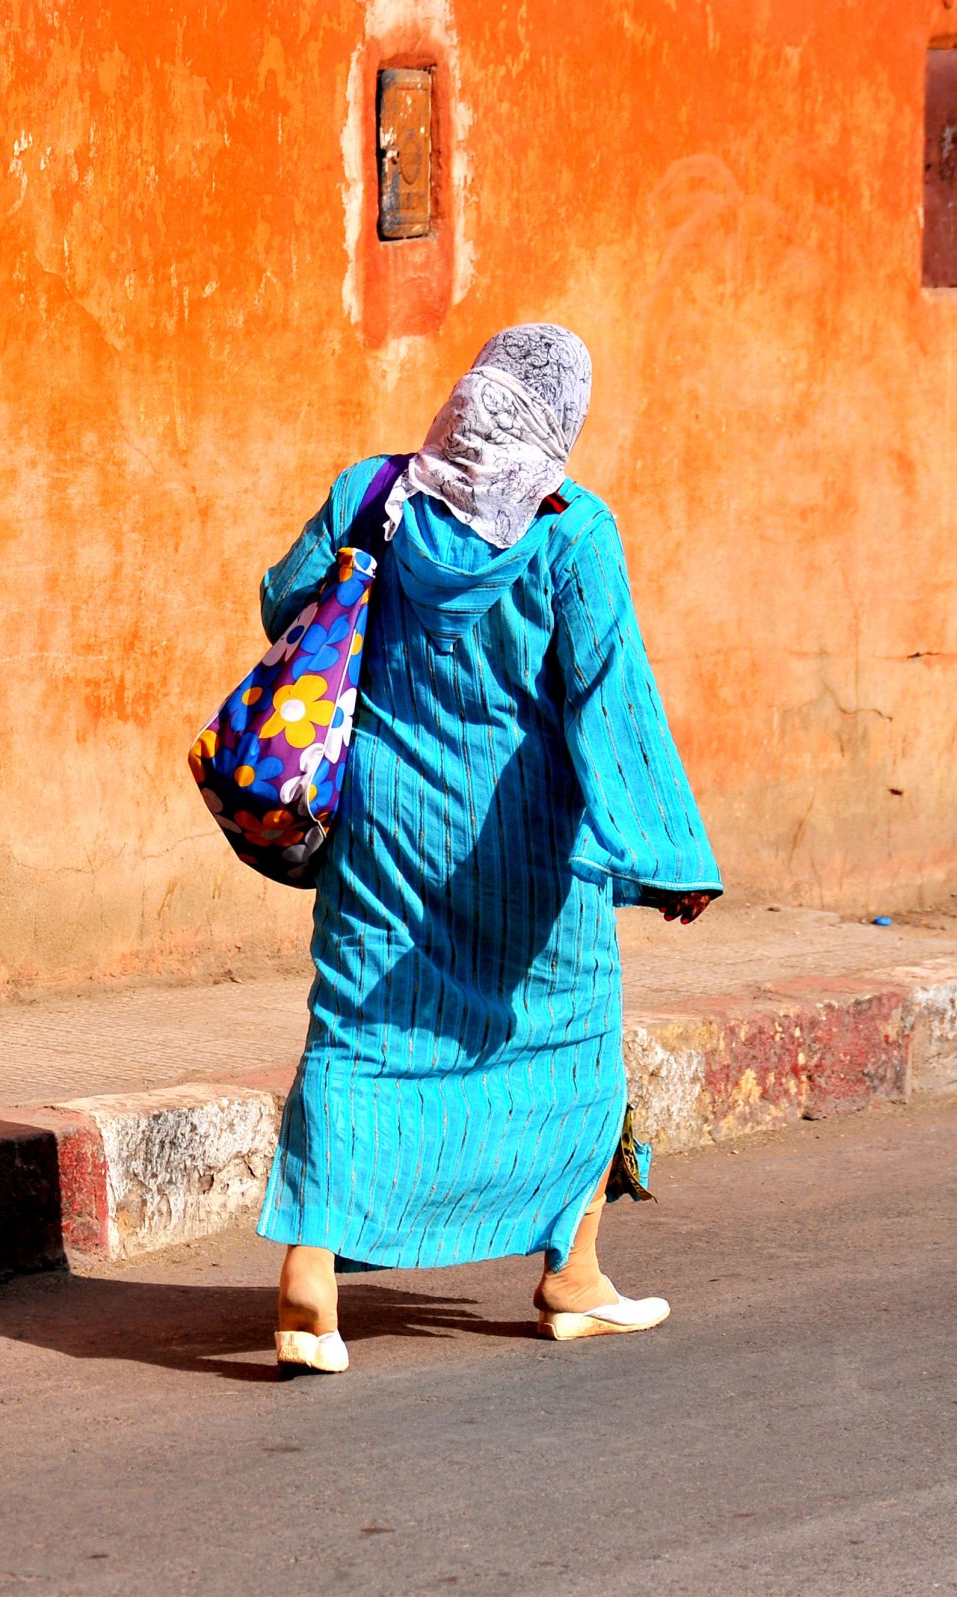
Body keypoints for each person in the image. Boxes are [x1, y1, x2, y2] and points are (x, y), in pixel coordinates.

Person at [255, 323, 721, 1376]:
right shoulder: (572, 530)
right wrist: (665, 852)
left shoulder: (372, 496)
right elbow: (610, 695)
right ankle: (571, 1276)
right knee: (565, 1043)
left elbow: (287, 602)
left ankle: (308, 1287)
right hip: (524, 847)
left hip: (379, 829)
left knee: (357, 1037)